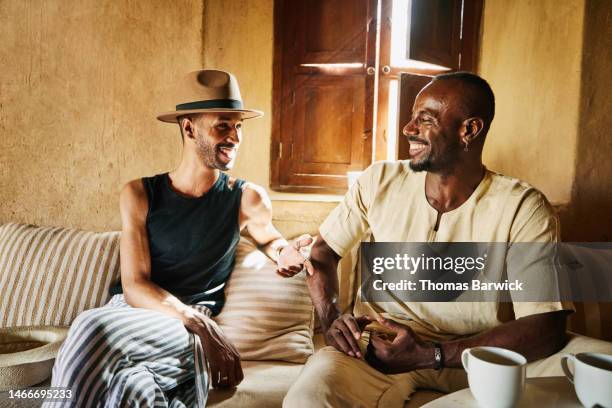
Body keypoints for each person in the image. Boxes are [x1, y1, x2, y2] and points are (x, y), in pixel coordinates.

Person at [283, 72, 590, 407]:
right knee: (309, 398)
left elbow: (546, 324)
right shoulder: (379, 181)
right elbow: (323, 253)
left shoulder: (522, 205)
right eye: (413, 118)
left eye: (424, 119)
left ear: (468, 130)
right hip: (379, 349)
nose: (408, 129)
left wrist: (432, 355)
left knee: (599, 368)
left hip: (480, 356)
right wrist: (330, 321)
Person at [45, 70, 310, 407]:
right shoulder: (140, 193)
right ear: (189, 128)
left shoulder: (246, 199)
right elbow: (135, 285)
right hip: (135, 314)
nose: (235, 137)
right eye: (223, 126)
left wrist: (287, 252)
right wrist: (199, 323)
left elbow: (271, 240)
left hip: (181, 331)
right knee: (130, 388)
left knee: (88, 327)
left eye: (239, 126)